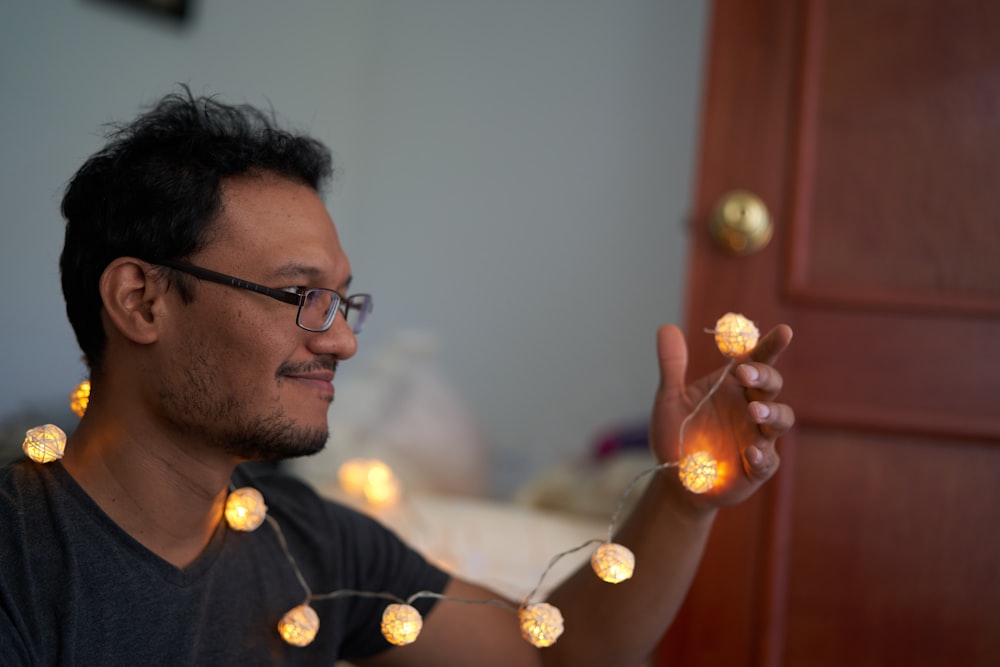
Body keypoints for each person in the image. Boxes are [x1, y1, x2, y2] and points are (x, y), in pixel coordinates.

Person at [0, 89, 794, 666]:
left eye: (344, 301)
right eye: (301, 295)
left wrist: (685, 496)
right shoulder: (22, 563)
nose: (342, 339)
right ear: (141, 300)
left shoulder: (305, 541)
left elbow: (561, 652)